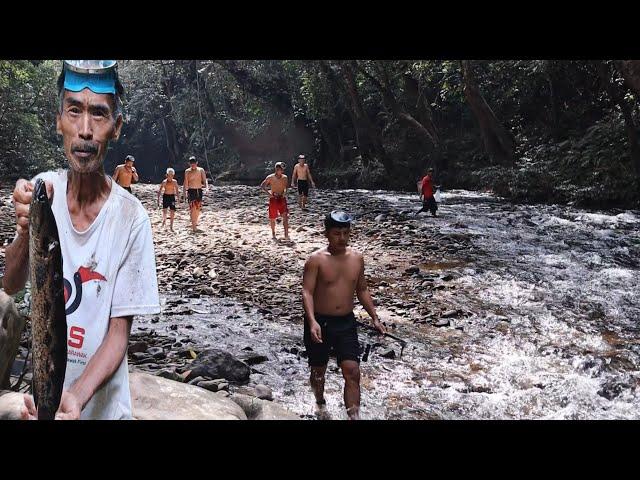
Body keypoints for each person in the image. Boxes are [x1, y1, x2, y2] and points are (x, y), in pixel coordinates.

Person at [3, 60, 160, 420]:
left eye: (99, 115)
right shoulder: (45, 190)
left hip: (102, 409)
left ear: (116, 127)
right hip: (44, 398)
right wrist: (24, 230)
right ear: (59, 120)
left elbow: (119, 334)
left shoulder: (131, 218)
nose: (85, 130)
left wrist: (74, 396)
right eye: (74, 111)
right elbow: (11, 284)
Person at [301, 211, 386, 420]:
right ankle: (320, 402)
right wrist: (312, 321)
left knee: (352, 371)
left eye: (346, 233)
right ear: (327, 234)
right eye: (337, 233)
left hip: (347, 323)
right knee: (319, 371)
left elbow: (362, 289)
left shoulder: (357, 258)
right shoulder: (316, 260)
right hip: (320, 322)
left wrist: (374, 317)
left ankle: (353, 417)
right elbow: (307, 292)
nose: (342, 238)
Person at [260, 161, 289, 240]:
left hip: (282, 199)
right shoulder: (270, 177)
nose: (281, 171)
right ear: (276, 169)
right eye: (279, 169)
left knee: (285, 216)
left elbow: (286, 187)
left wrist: (285, 192)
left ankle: (286, 234)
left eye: (282, 169)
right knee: (272, 218)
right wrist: (269, 194)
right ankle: (273, 233)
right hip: (273, 199)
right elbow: (262, 186)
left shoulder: (285, 177)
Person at [183, 156, 208, 233]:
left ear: (197, 163)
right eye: (191, 163)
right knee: (192, 208)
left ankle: (195, 223)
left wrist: (206, 187)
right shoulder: (187, 171)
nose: (192, 165)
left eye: (194, 163)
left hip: (198, 190)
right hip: (191, 191)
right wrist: (184, 193)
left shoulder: (201, 170)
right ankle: (194, 227)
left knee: (197, 208)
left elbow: (204, 180)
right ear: (189, 164)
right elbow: (185, 182)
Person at [157, 167, 181, 231]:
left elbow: (177, 191)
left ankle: (171, 226)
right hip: (166, 196)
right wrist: (158, 200)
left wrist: (178, 200)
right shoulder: (164, 182)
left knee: (172, 212)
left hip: (172, 197)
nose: (170, 177)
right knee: (165, 211)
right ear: (166, 175)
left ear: (173, 175)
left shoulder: (174, 182)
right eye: (168, 175)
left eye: (171, 175)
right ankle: (164, 222)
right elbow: (159, 191)